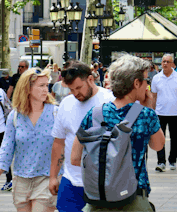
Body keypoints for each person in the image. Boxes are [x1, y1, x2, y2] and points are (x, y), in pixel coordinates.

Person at [71, 55, 165, 212]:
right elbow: (158, 145)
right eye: (145, 81)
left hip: (98, 199)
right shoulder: (145, 115)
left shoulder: (94, 114)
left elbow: (74, 158)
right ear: (136, 83)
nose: (147, 86)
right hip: (133, 199)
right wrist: (148, 107)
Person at [49, 61, 114, 212]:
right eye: (71, 89)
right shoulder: (66, 104)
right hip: (71, 182)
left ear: (90, 79)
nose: (75, 93)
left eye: (79, 88)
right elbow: (59, 142)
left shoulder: (110, 101)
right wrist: (53, 176)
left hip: (102, 184)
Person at [0, 68, 58, 211]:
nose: (46, 90)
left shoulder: (56, 113)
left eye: (47, 85)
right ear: (28, 88)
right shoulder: (15, 116)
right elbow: (7, 147)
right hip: (21, 180)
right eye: (41, 86)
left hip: (46, 178)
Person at [151, 54, 177, 172]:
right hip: (160, 113)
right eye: (163, 61)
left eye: (167, 62)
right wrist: (152, 111)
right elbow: (154, 96)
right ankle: (161, 162)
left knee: (174, 138)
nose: (165, 64)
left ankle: (172, 161)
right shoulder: (156, 78)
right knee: (159, 138)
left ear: (172, 64)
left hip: (174, 113)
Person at [0, 86, 12, 191]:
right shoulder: (1, 92)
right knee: (4, 154)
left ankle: (9, 180)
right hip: (3, 127)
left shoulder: (0, 92)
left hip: (2, 128)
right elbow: (8, 106)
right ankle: (9, 180)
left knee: (4, 154)